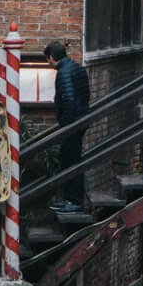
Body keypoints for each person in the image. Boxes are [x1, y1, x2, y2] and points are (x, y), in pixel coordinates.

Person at [44, 41, 89, 214]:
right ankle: (71, 199)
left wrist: (66, 125)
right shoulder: (77, 68)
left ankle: (74, 200)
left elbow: (68, 100)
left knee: (70, 160)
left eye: (48, 59)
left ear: (52, 57)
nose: (48, 63)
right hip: (81, 118)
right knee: (72, 158)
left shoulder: (63, 73)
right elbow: (85, 95)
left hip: (73, 123)